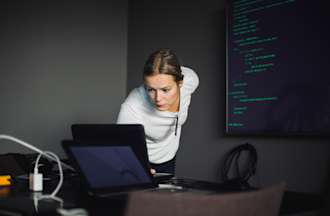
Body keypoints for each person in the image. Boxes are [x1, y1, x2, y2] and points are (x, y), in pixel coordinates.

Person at [117, 48, 199, 174]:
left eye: (165, 90)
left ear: (180, 83)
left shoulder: (190, 80)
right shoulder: (132, 105)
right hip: (144, 162)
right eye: (150, 89)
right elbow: (120, 149)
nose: (158, 98)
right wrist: (135, 166)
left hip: (170, 157)